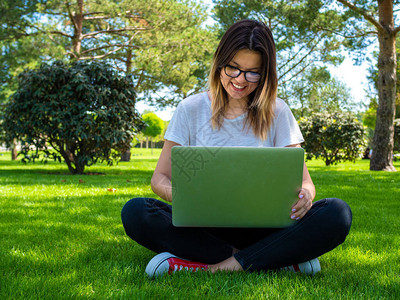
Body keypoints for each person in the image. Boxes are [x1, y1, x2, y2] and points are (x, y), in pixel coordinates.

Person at [121, 19, 352, 277]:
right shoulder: (190, 109)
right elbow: (159, 178)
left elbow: (306, 183)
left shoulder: (278, 111)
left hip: (265, 226)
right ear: (220, 63)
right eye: (233, 68)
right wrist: (183, 197)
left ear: (266, 74)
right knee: (136, 212)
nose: (241, 80)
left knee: (337, 213)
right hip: (205, 225)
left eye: (253, 72)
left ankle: (215, 267)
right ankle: (276, 258)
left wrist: (306, 197)